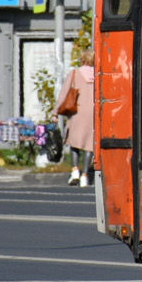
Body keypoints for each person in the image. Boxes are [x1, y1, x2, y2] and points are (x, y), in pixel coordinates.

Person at [55, 47, 95, 187]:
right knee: (89, 145)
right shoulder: (98, 75)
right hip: (93, 114)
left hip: (77, 112)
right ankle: (85, 176)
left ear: (82, 58)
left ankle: (74, 172)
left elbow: (64, 94)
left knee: (74, 143)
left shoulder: (74, 74)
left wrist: (55, 112)